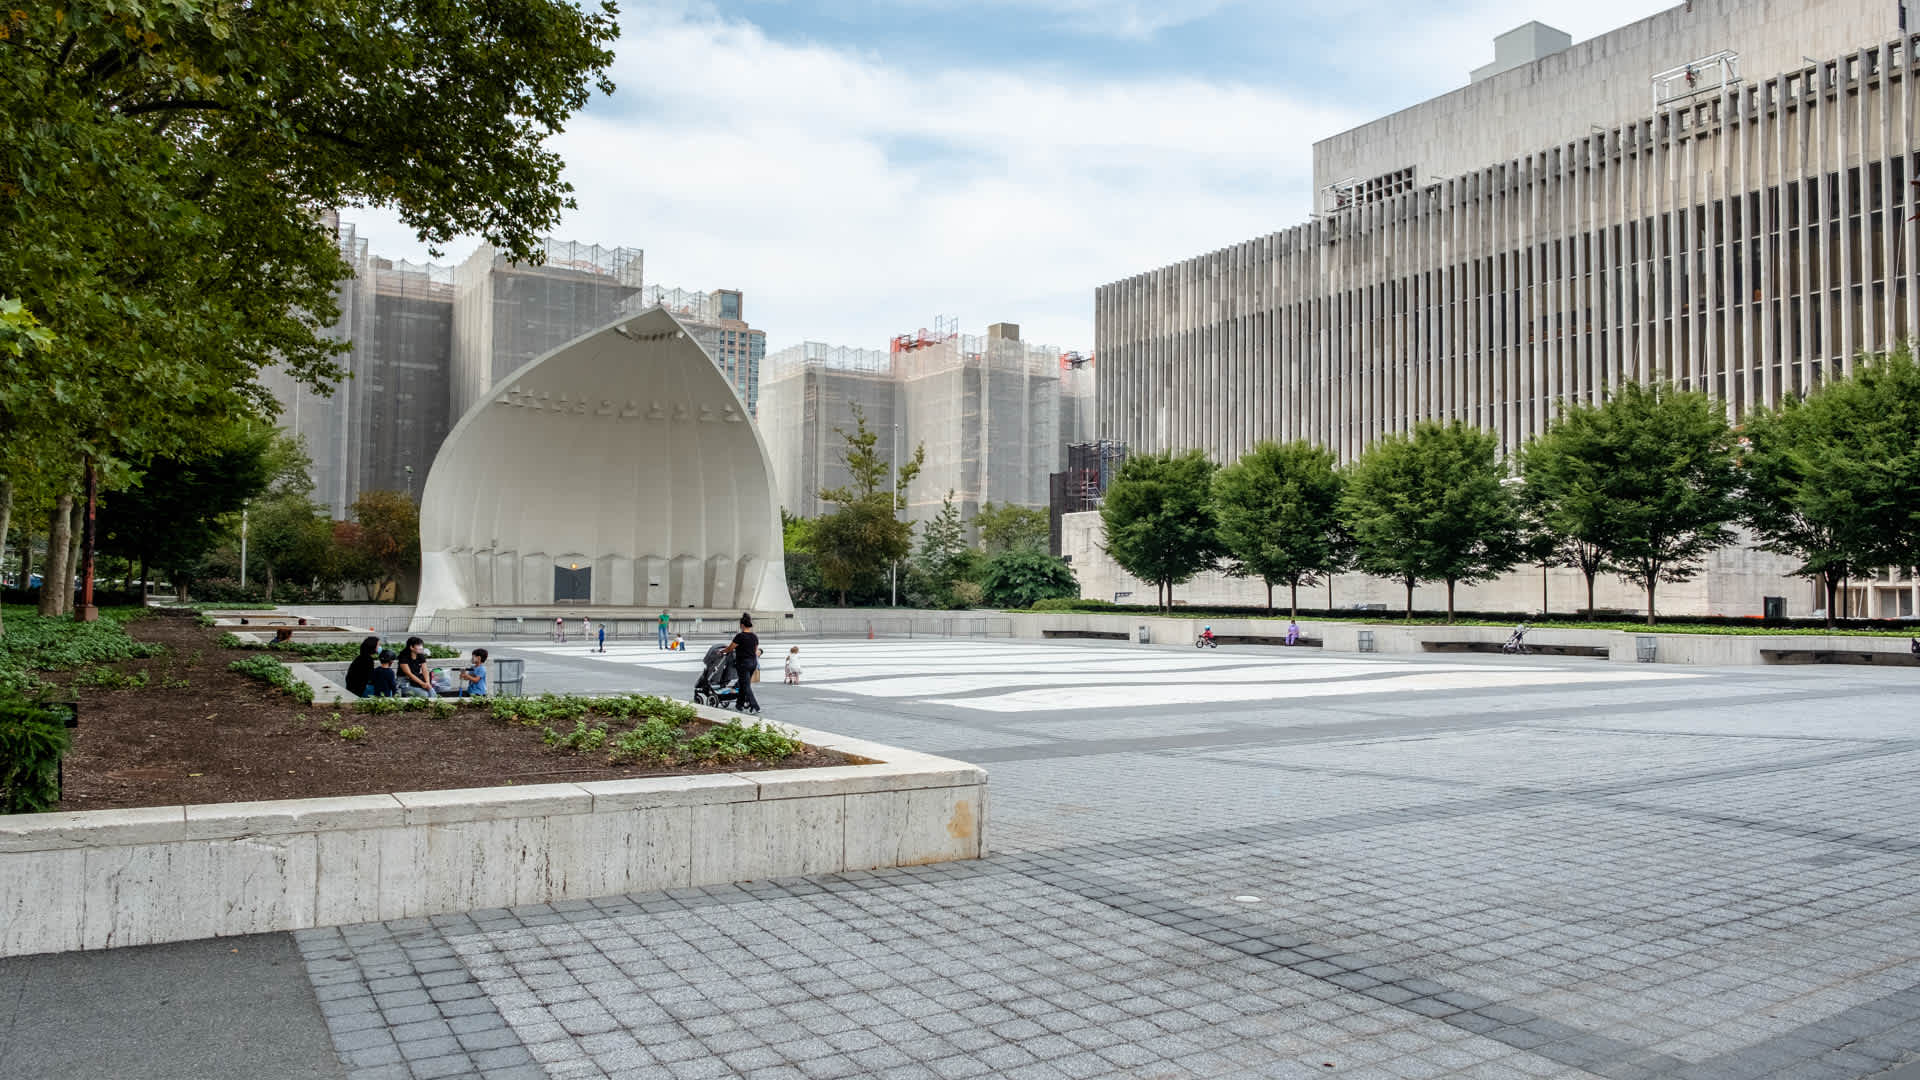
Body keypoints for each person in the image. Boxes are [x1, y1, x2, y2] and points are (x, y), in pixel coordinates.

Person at [721, 613, 761, 713]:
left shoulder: (740, 636)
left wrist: (722, 651)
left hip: (743, 664)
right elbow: (755, 650)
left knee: (746, 685)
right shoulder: (754, 636)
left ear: (742, 625)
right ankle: (739, 704)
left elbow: (730, 648)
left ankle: (755, 706)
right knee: (744, 684)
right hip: (753, 663)